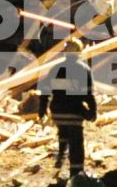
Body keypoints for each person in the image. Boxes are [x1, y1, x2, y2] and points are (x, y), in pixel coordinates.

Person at [35, 37, 97, 177]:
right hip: (74, 112)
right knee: (76, 142)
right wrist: (92, 112)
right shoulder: (83, 69)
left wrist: (42, 111)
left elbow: (44, 92)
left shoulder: (55, 68)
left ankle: (61, 155)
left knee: (63, 132)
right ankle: (76, 172)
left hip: (57, 112)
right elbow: (88, 94)